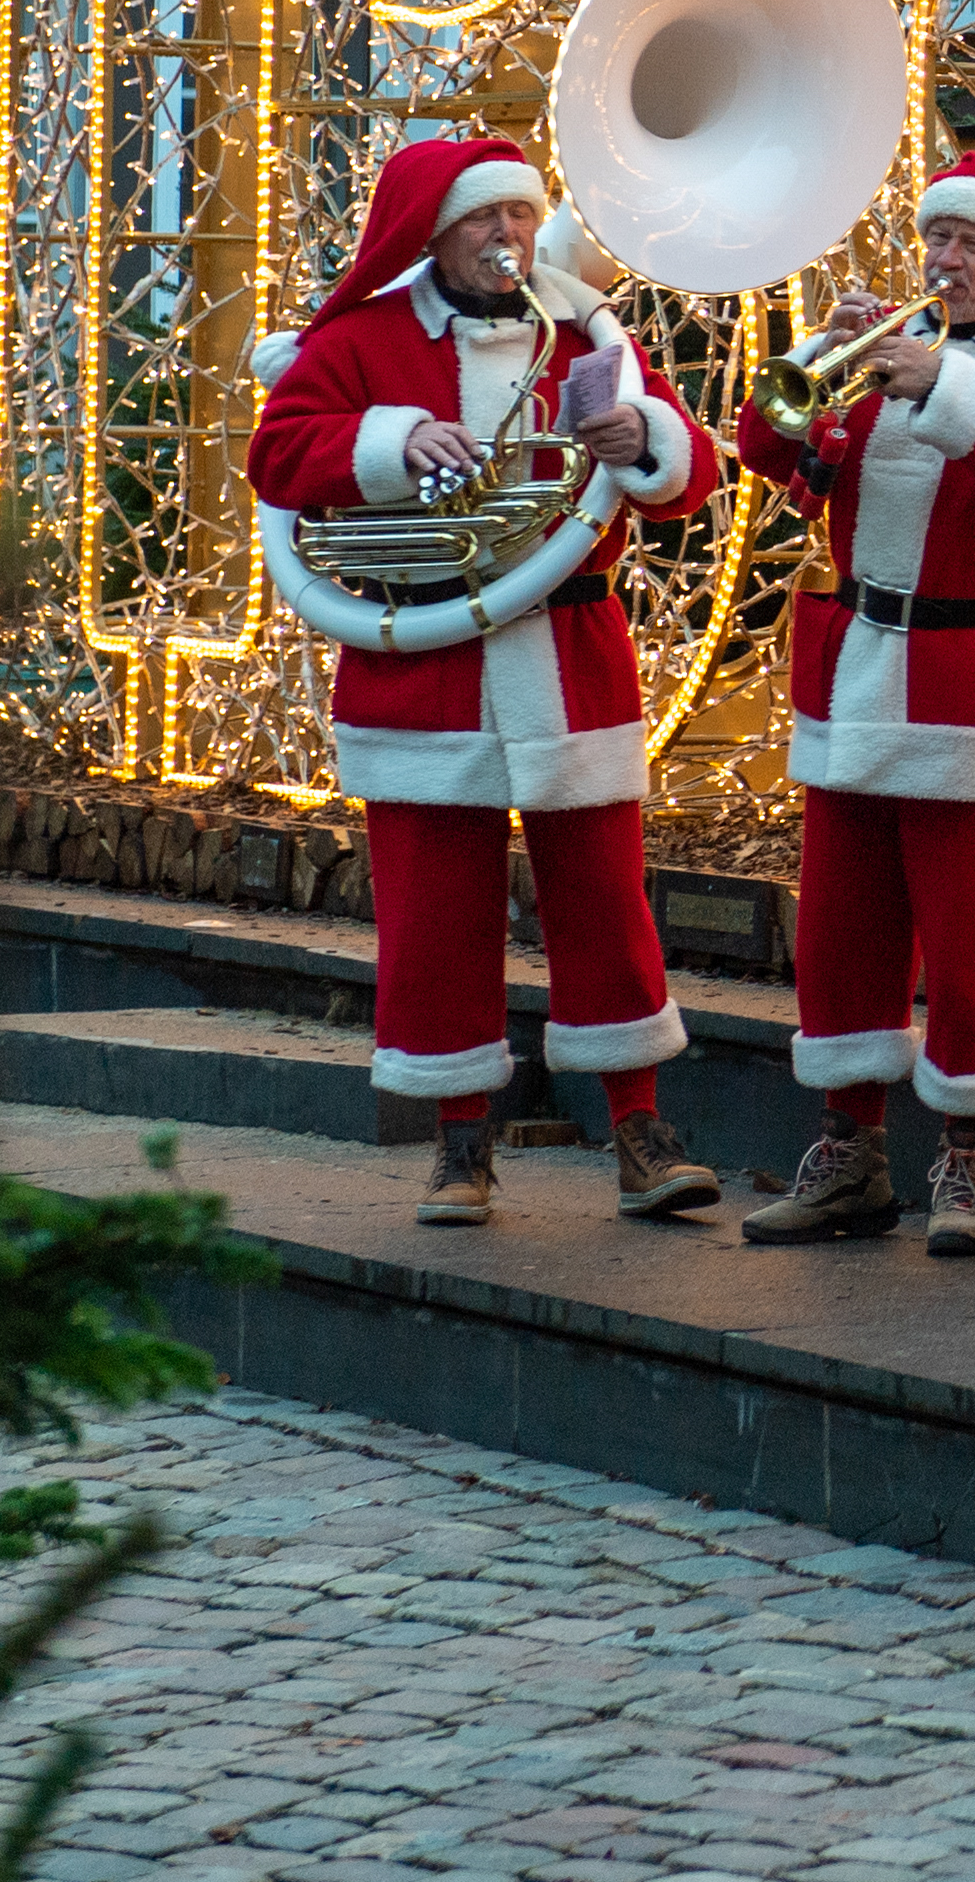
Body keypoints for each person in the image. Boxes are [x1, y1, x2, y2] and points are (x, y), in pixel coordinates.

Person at [246, 133, 725, 1228]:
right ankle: (459, 1142)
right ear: (434, 235)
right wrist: (394, 439)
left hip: (568, 656)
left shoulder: (585, 333)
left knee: (605, 905)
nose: (508, 237)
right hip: (423, 662)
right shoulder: (362, 338)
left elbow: (690, 478)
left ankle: (640, 1131)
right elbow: (277, 457)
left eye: (519, 216)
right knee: (433, 919)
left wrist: (644, 435)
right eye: (483, 219)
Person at [733, 151, 975, 1257]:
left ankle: (969, 1155)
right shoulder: (889, 346)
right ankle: (847, 1151)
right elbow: (766, 449)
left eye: (970, 243)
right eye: (936, 236)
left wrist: (946, 390)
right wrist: (816, 359)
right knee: (843, 926)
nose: (944, 260)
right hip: (854, 666)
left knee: (971, 933)